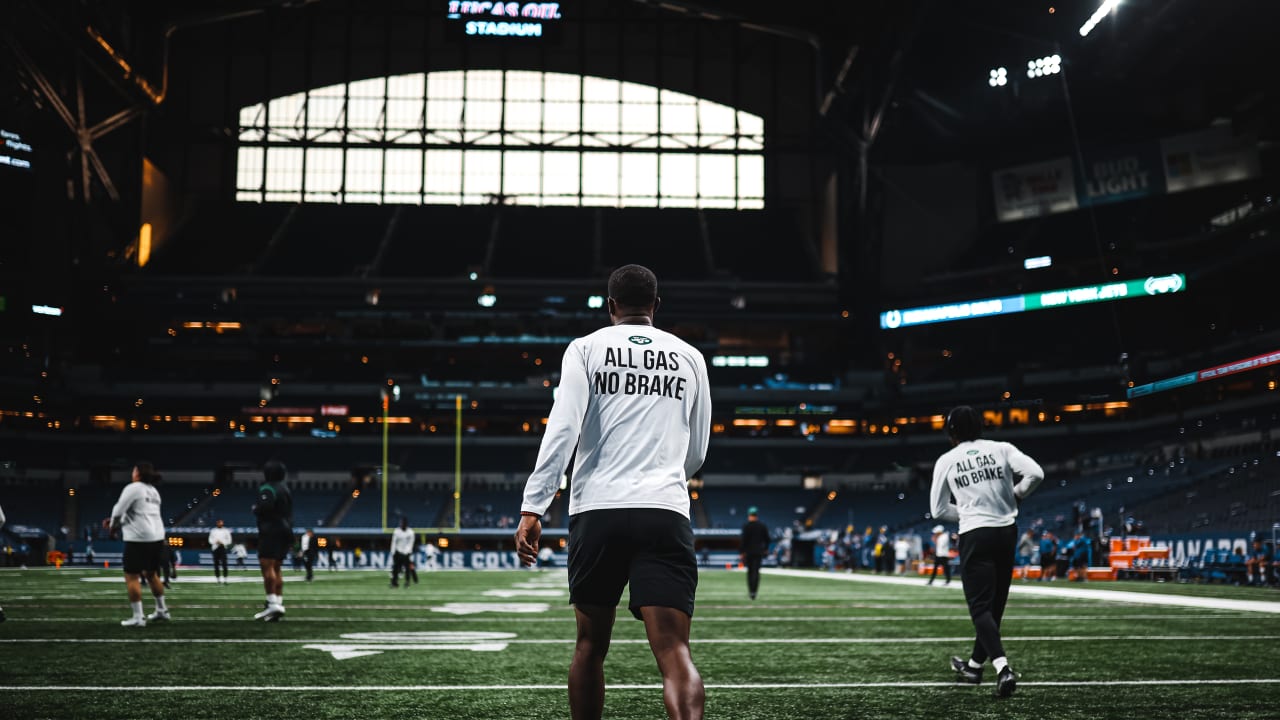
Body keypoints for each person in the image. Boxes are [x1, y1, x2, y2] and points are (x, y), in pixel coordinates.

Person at [514, 264, 711, 720]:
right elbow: (697, 448)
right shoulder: (690, 356)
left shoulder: (585, 348)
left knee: (589, 647)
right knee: (675, 653)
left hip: (598, 510)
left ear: (611, 306)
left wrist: (534, 505)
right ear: (656, 306)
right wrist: (662, 475)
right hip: (663, 509)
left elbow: (563, 428)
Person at [930, 406, 1044, 698]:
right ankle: (973, 666)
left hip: (974, 534)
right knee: (995, 606)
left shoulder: (947, 459)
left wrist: (970, 511)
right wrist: (1017, 494)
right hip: (1007, 532)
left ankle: (1003, 669)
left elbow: (938, 509)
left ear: (951, 432)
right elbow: (1036, 473)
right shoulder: (1001, 448)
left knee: (980, 608)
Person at [109, 463, 171, 627]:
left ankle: (138, 617)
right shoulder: (153, 491)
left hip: (138, 538)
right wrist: (120, 523)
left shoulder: (133, 488)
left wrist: (113, 527)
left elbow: (118, 511)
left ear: (138, 473)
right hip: (157, 537)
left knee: (132, 576)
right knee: (151, 574)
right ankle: (162, 610)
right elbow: (138, 514)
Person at [252, 460, 293, 621]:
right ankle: (278, 603)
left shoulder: (267, 487)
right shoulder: (285, 488)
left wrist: (256, 509)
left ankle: (271, 603)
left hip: (271, 531)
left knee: (267, 566)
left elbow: (266, 506)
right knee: (277, 568)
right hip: (285, 529)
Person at [740, 507, 769, 600]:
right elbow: (768, 539)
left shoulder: (746, 526)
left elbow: (743, 540)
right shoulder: (762, 526)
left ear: (749, 515)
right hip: (758, 552)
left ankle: (751, 591)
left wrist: (742, 552)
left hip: (749, 553)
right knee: (756, 572)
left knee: (750, 572)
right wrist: (765, 549)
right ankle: (754, 592)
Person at [390, 518, 416, 588]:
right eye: (401, 523)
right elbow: (394, 542)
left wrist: (407, 552)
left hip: (406, 553)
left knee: (407, 568)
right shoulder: (397, 531)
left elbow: (411, 544)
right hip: (398, 552)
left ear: (406, 524)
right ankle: (394, 582)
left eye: (403, 523)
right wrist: (393, 552)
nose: (401, 525)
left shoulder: (410, 532)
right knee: (396, 568)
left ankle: (407, 582)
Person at [208, 519, 231, 584]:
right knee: (216, 565)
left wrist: (223, 542)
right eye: (218, 523)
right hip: (215, 548)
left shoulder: (226, 530)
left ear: (222, 523)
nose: (220, 524)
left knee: (224, 564)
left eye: (221, 523)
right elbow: (210, 540)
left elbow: (229, 540)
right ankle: (218, 579)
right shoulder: (213, 531)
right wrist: (216, 542)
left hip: (223, 548)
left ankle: (225, 579)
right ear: (217, 523)